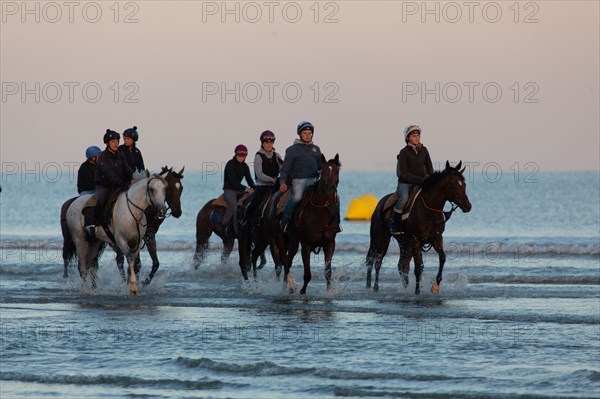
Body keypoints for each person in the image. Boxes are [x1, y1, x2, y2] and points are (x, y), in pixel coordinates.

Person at [84, 130, 133, 238]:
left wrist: (131, 179)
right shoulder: (102, 157)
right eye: (113, 141)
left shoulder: (120, 155)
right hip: (104, 186)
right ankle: (92, 224)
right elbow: (109, 174)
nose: (116, 143)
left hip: (119, 185)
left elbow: (128, 170)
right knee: (101, 199)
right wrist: (121, 183)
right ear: (107, 143)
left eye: (117, 141)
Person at [278, 121, 323, 231]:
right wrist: (282, 182)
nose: (308, 135)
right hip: (299, 181)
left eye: (309, 133)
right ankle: (285, 221)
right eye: (305, 133)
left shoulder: (316, 149)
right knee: (297, 197)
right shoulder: (292, 150)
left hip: (314, 181)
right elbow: (285, 169)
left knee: (333, 197)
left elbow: (320, 166)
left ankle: (336, 224)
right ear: (300, 134)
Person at [390, 124, 434, 235]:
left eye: (418, 135)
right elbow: (403, 174)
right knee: (404, 198)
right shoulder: (403, 152)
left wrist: (428, 178)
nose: (416, 138)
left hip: (421, 182)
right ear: (408, 138)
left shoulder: (424, 150)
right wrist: (420, 179)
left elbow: (430, 168)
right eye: (414, 136)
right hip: (405, 183)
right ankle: (395, 222)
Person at [239, 130, 284, 226]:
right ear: (262, 143)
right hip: (262, 186)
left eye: (271, 142)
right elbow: (259, 175)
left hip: (275, 185)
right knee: (255, 201)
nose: (268, 145)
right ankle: (245, 219)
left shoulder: (277, 156)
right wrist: (273, 179)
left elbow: (283, 170)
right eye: (266, 142)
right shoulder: (258, 157)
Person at [221, 144, 255, 233]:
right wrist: (246, 189)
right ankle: (223, 225)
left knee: (252, 198)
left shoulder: (245, 166)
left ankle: (245, 222)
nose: (241, 157)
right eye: (239, 155)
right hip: (229, 189)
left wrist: (256, 189)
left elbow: (250, 181)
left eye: (243, 156)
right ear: (235, 154)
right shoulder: (230, 164)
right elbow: (233, 182)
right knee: (233, 204)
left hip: (239, 190)